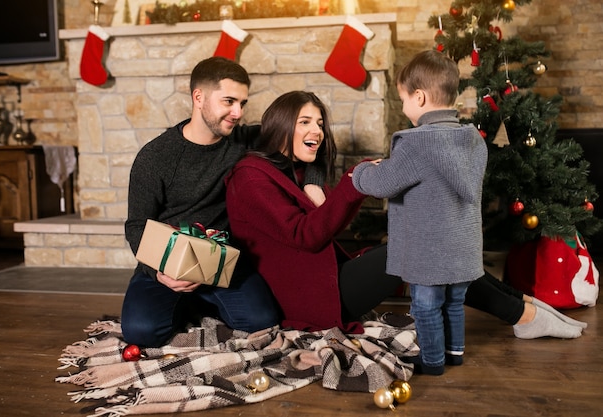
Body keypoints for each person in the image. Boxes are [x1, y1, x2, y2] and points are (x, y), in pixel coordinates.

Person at [121, 57, 326, 348]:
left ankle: (200, 305)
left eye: (242, 103)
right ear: (199, 97)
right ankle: (183, 302)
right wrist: (158, 272)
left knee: (262, 322)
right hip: (170, 263)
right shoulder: (155, 156)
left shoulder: (245, 140)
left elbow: (308, 138)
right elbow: (137, 225)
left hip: (225, 262)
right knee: (141, 333)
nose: (237, 112)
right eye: (229, 101)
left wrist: (313, 182)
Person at [351, 50, 487, 375]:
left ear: (420, 97)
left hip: (430, 253)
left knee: (426, 306)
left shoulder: (416, 144)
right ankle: (454, 353)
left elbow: (385, 183)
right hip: (463, 248)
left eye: (403, 99)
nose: (402, 107)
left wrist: (361, 172)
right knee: (454, 302)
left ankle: (432, 361)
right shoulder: (472, 140)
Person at [225, 91, 402, 333]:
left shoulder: (299, 172)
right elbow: (304, 235)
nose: (317, 131)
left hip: (326, 279)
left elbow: (330, 225)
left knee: (416, 245)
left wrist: (338, 186)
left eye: (319, 124)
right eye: (304, 122)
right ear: (281, 126)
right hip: (309, 297)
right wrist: (351, 183)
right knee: (411, 249)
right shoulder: (250, 178)